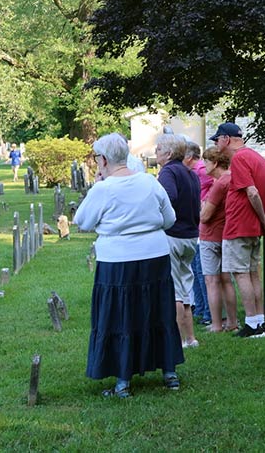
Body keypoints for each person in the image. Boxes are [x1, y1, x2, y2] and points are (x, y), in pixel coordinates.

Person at [73, 133, 183, 398]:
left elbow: (83, 221)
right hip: (154, 255)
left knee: (121, 315)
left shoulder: (103, 189)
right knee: (158, 310)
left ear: (102, 160)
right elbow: (169, 219)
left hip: (118, 259)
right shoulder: (148, 182)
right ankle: (169, 372)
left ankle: (123, 381)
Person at [211, 122, 265, 338]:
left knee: (241, 274)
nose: (216, 143)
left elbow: (253, 193)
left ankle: (251, 324)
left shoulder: (239, 158)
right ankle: (260, 322)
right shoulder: (257, 157)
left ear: (226, 139)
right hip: (253, 227)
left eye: (217, 139)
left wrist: (262, 218)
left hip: (240, 226)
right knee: (252, 274)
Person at [156, 134, 201, 348]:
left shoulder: (168, 171)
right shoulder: (190, 173)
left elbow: (168, 197)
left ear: (169, 153)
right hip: (191, 236)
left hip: (174, 234)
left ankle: (179, 338)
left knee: (174, 289)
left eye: (158, 149)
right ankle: (191, 337)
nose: (155, 153)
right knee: (185, 286)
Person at [199, 146, 237, 332]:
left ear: (215, 163)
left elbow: (205, 216)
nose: (204, 165)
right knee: (226, 280)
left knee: (212, 281)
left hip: (211, 235)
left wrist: (202, 206)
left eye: (206, 161)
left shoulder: (219, 184)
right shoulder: (232, 178)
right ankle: (232, 322)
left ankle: (216, 325)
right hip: (226, 234)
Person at [183, 141, 211, 326]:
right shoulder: (193, 172)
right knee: (195, 270)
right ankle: (200, 308)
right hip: (195, 226)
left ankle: (208, 312)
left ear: (190, 157)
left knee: (202, 272)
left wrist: (206, 201)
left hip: (203, 226)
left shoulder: (201, 170)